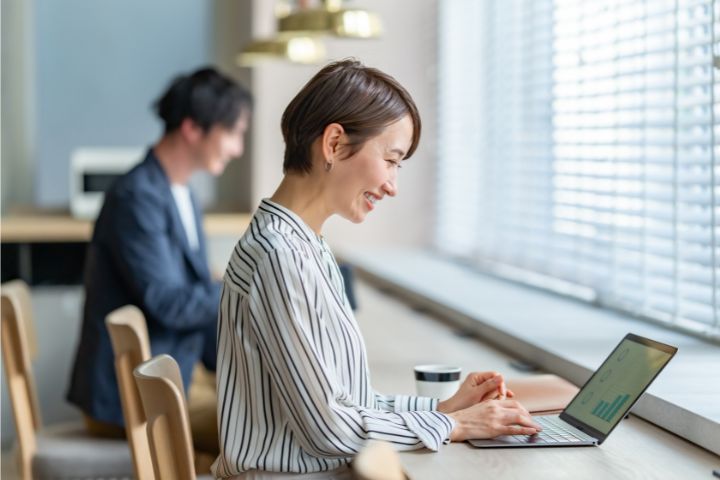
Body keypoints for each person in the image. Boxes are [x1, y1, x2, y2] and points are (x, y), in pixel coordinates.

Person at [212, 59, 540, 477]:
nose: (392, 185)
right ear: (333, 144)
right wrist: (456, 425)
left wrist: (442, 407)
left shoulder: (301, 245)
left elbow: (346, 403)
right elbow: (329, 429)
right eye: (391, 159)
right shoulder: (280, 256)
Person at [66, 66, 252, 455]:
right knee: (267, 430)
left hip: (174, 373)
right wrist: (246, 289)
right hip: (134, 396)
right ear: (192, 129)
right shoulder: (137, 197)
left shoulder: (180, 191)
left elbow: (195, 294)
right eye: (234, 133)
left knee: (268, 408)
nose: (238, 148)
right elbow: (167, 302)